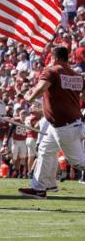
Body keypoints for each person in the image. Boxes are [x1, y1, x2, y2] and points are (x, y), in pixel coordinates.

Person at [19, 46, 85, 199]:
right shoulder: (76, 74)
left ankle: (41, 187)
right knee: (45, 151)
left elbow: (42, 87)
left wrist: (29, 98)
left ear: (54, 57)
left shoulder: (52, 71)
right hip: (63, 123)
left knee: (78, 161)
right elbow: (83, 95)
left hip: (63, 125)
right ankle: (39, 188)